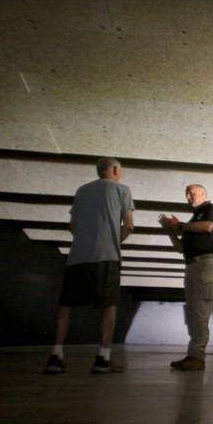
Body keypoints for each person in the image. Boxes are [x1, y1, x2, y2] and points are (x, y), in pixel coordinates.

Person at [44, 157, 135, 374]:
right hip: (106, 256)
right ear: (114, 169)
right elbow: (129, 225)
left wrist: (87, 240)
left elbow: (72, 226)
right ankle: (102, 359)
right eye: (119, 170)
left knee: (66, 306)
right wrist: (111, 241)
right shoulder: (122, 190)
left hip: (77, 257)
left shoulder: (82, 191)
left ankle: (55, 356)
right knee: (108, 306)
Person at [159, 184, 213, 371]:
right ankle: (193, 355)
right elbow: (181, 248)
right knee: (193, 312)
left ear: (203, 194)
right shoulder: (192, 221)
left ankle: (197, 357)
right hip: (192, 265)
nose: (188, 196)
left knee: (200, 311)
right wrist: (170, 230)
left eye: (192, 192)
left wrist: (179, 225)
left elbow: (208, 226)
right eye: (187, 194)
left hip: (206, 264)